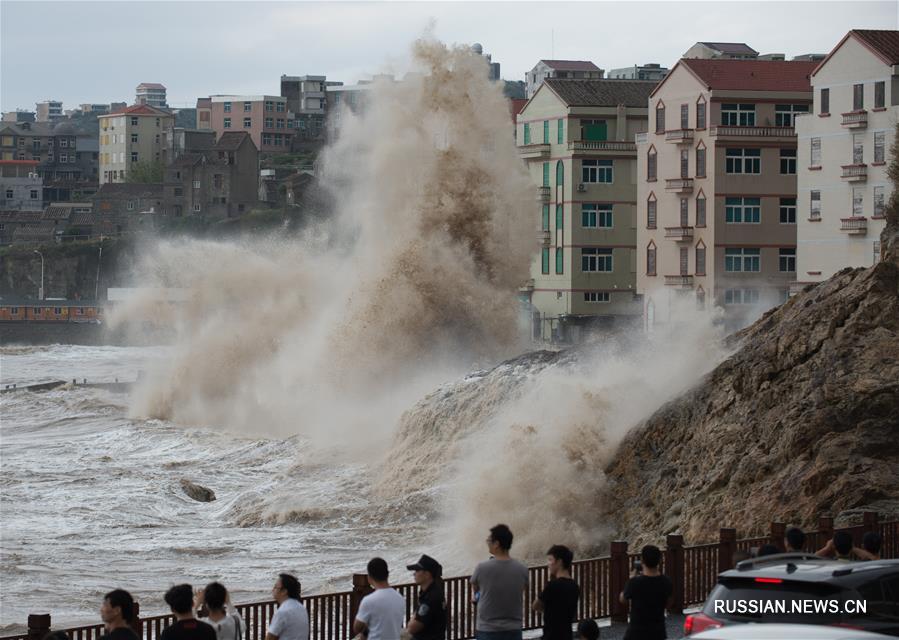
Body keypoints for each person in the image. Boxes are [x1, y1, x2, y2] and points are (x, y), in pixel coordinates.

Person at [470, 524, 529, 640]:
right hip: (514, 629)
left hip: (488, 629)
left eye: (489, 540)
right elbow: (521, 590)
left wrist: (477, 597)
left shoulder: (482, 568)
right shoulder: (522, 569)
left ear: (497, 544)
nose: (487, 543)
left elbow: (476, 590)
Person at [619, 545, 673, 640]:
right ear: (660, 561)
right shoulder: (666, 581)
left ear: (642, 561)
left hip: (636, 634)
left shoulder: (635, 582)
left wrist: (630, 580)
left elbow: (623, 599)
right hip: (658, 633)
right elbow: (669, 602)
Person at [533, 545, 579, 640]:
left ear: (559, 562)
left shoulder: (552, 585)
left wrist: (548, 611)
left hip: (551, 636)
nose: (548, 564)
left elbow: (535, 605)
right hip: (567, 635)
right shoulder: (575, 586)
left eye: (550, 560)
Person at [354, 558, 405, 640]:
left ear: (369, 578)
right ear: (387, 574)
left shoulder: (369, 600)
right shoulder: (400, 598)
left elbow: (357, 628)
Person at [405, 555, 446, 640]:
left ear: (427, 574)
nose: (414, 573)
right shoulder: (434, 591)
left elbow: (412, 628)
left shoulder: (430, 597)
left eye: (417, 570)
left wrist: (412, 620)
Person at [266, 574, 309, 640]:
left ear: (284, 591)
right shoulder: (302, 608)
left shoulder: (282, 612)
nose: (272, 590)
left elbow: (270, 638)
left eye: (275, 587)